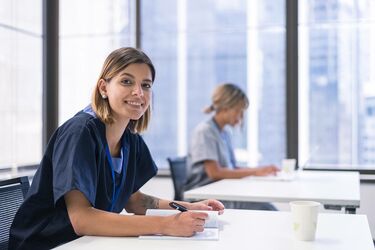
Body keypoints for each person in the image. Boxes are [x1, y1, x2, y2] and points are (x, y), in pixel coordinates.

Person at [9, 47, 224, 250]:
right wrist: (166, 224)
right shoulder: (80, 132)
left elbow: (135, 202)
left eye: (146, 85)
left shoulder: (130, 139)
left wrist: (190, 207)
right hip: (49, 244)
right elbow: (81, 219)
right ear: (104, 87)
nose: (138, 92)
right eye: (127, 81)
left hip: (87, 242)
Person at [186, 83, 279, 210]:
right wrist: (256, 171)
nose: (241, 117)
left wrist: (259, 171)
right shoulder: (204, 132)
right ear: (225, 108)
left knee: (263, 202)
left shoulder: (225, 133)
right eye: (238, 111)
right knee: (267, 209)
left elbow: (232, 168)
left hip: (223, 191)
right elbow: (215, 173)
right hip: (205, 199)